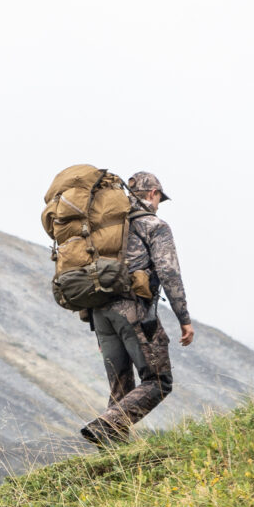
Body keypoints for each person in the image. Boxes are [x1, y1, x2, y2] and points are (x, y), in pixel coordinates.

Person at [79, 170, 193, 446]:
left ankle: (115, 460)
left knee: (121, 390)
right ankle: (105, 424)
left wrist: (99, 332)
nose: (158, 204)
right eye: (159, 198)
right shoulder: (155, 226)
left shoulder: (104, 227)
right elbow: (169, 273)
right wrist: (184, 319)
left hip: (100, 315)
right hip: (133, 310)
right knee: (158, 381)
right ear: (153, 193)